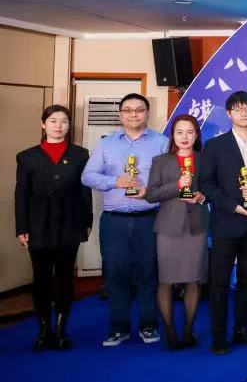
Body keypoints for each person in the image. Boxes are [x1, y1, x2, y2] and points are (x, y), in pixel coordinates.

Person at [81, 93, 169, 347]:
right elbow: (87, 176)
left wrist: (150, 191)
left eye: (139, 110)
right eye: (128, 110)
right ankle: (118, 328)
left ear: (147, 113)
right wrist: (114, 182)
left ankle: (148, 325)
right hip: (115, 221)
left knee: (149, 273)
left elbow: (169, 180)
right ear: (120, 115)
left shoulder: (162, 143)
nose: (133, 114)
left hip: (149, 218)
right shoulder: (106, 144)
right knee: (115, 274)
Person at [199, 91, 247, 355]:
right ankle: (219, 336)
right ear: (229, 113)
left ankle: (242, 330)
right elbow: (206, 184)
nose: (244, 113)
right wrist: (232, 205)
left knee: (246, 279)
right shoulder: (214, 145)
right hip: (225, 222)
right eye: (238, 109)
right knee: (219, 282)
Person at [15, 105, 92, 350]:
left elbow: (85, 191)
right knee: (41, 278)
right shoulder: (27, 157)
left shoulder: (80, 154)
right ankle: (43, 330)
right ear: (43, 124)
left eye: (64, 121)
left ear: (69, 125)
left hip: (70, 223)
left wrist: (87, 222)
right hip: (38, 224)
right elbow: (21, 193)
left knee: (64, 277)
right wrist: (21, 227)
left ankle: (60, 330)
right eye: (53, 121)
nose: (59, 126)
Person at [145, 115, 208, 349]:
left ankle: (189, 330)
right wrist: (177, 186)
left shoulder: (204, 159)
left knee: (193, 279)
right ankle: (170, 331)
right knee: (166, 280)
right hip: (168, 228)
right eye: (179, 132)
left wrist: (201, 197)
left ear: (196, 135)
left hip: (196, 227)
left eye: (190, 132)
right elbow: (151, 195)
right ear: (173, 135)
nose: (185, 137)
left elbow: (212, 189)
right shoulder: (161, 161)